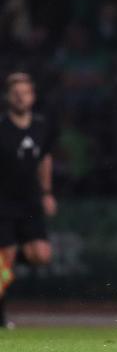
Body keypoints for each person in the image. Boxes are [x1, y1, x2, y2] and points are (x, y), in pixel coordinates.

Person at [0, 73, 58, 329]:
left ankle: (6, 256)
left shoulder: (41, 125)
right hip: (3, 201)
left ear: (32, 97)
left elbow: (45, 159)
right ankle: (1, 316)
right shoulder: (1, 127)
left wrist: (46, 192)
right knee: (6, 260)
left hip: (31, 200)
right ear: (8, 97)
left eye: (25, 93)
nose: (21, 97)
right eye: (16, 93)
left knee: (41, 255)